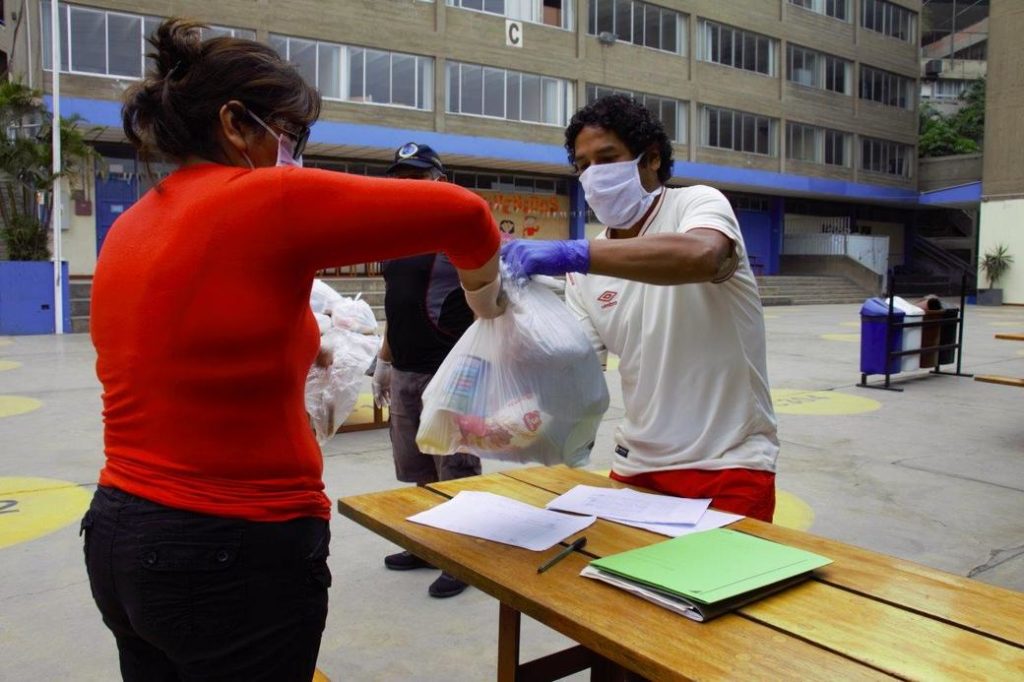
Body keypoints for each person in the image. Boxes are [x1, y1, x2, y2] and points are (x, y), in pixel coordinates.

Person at [83, 19, 503, 681]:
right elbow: (466, 215)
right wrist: (488, 304)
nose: (293, 155)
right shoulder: (262, 198)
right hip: (229, 547)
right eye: (291, 135)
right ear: (234, 122)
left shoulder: (134, 222)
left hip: (119, 532)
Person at [502, 94, 778, 522]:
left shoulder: (696, 205)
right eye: (583, 165)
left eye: (607, 158)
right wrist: (509, 313)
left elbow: (704, 256)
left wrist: (575, 254)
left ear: (651, 158)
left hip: (728, 464)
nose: (593, 175)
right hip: (636, 466)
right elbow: (574, 369)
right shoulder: (583, 271)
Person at [372, 143, 480, 599]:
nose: (406, 187)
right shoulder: (396, 239)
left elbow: (491, 299)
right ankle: (428, 545)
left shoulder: (458, 236)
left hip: (449, 373)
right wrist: (384, 361)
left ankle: (463, 557)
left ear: (439, 181)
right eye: (399, 179)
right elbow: (395, 306)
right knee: (417, 468)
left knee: (455, 467)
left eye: (416, 178)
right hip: (405, 372)